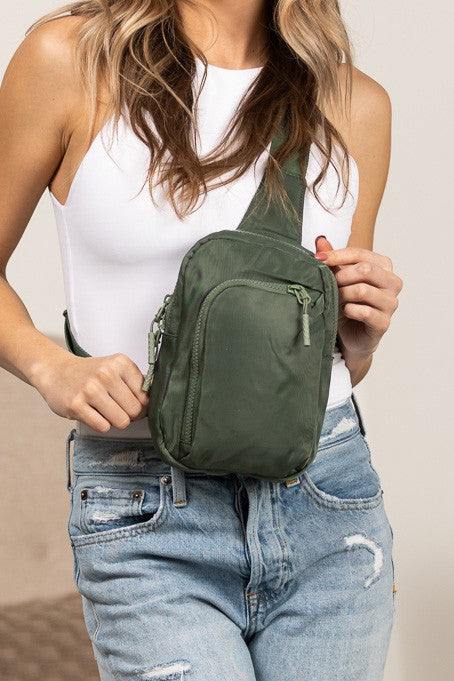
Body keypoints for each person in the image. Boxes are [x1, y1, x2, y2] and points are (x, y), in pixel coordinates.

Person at [0, 1, 403, 679]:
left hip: (328, 503)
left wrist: (360, 338)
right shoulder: (71, 59)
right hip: (148, 501)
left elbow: (322, 364)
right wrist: (51, 366)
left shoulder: (354, 103)